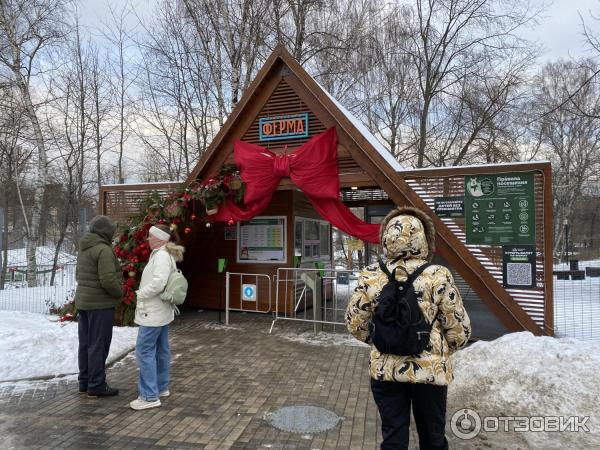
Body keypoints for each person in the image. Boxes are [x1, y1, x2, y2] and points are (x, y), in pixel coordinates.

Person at [345, 206, 471, 450]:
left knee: (393, 438)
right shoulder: (438, 275)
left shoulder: (372, 275)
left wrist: (381, 339)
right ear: (423, 238)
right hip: (430, 373)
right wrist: (441, 349)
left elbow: (354, 322)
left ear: (387, 237)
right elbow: (459, 330)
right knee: (433, 438)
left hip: (386, 371)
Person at [130, 224, 184, 411]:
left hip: (152, 313)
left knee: (145, 351)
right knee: (161, 349)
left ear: (161, 238)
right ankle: (161, 388)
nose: (148, 239)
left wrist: (141, 293)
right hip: (161, 312)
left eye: (151, 236)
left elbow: (159, 283)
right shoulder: (165, 254)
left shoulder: (161, 255)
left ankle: (149, 395)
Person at [74, 215, 123, 397]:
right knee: (98, 345)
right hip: (100, 304)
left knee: (86, 343)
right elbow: (108, 279)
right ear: (106, 231)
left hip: (84, 302)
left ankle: (84, 382)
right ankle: (96, 385)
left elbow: (79, 274)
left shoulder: (85, 248)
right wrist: (119, 293)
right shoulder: (103, 250)